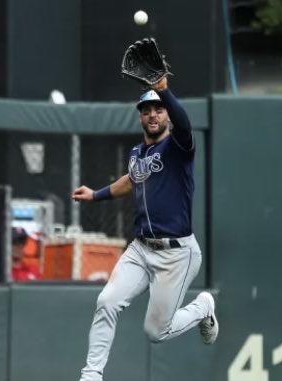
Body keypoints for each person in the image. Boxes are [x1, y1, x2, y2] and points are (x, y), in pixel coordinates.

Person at [72, 77, 218, 381]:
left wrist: (164, 89)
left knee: (155, 332)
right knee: (106, 302)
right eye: (147, 109)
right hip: (140, 249)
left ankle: (203, 307)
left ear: (167, 114)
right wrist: (97, 195)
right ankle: (91, 375)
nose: (153, 114)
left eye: (159, 109)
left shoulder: (180, 147)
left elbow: (184, 122)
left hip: (176, 254)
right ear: (140, 115)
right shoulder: (138, 152)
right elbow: (132, 179)